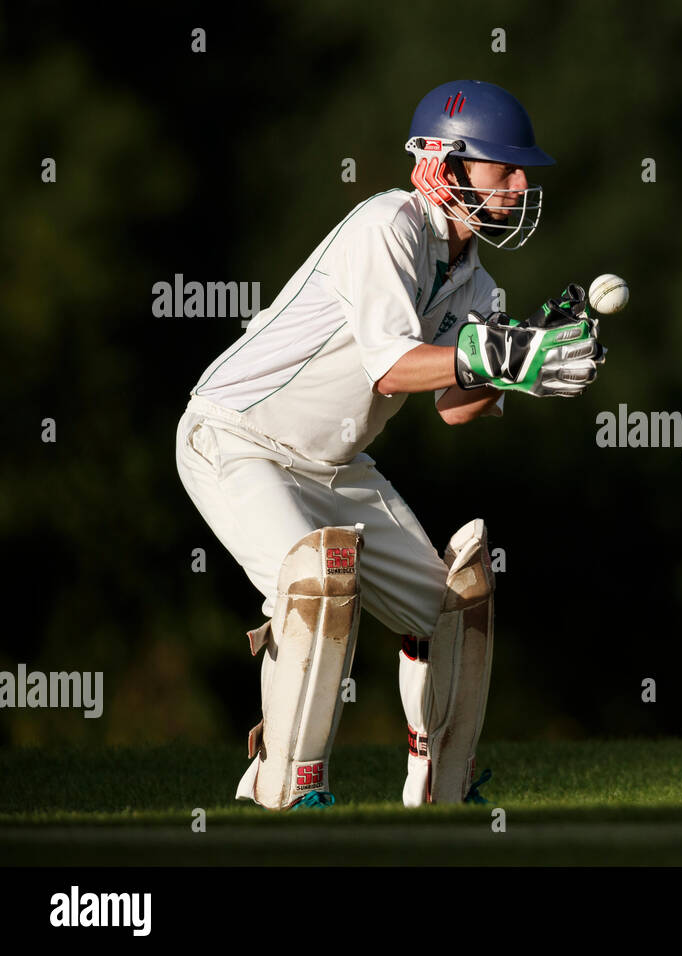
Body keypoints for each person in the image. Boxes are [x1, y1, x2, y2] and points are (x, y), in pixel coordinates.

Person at [174, 79, 604, 810]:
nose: (521, 184)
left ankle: (439, 782)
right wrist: (498, 355)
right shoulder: (386, 227)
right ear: (447, 165)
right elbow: (395, 366)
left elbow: (452, 407)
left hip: (334, 465)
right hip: (235, 436)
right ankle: (287, 785)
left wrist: (526, 364)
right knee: (317, 583)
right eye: (505, 168)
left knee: (452, 606)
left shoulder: (474, 279)